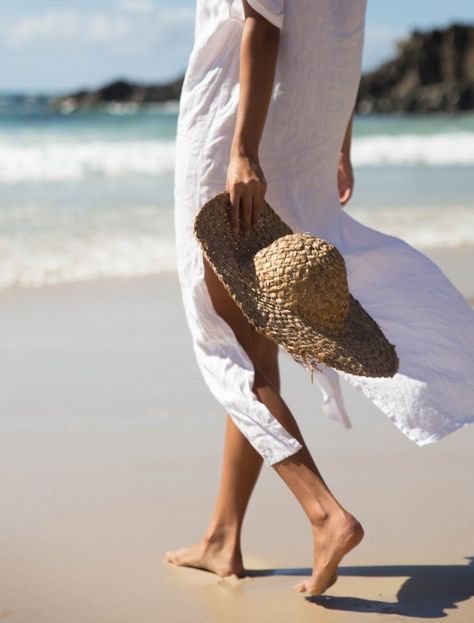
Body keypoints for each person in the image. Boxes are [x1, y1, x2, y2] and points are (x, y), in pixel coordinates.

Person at [168, 0, 474, 596]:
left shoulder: (240, 150)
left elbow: (261, 25)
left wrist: (243, 153)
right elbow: (341, 37)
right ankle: (221, 539)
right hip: (298, 143)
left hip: (235, 138)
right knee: (256, 344)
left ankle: (324, 513)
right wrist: (339, 141)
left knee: (225, 344)